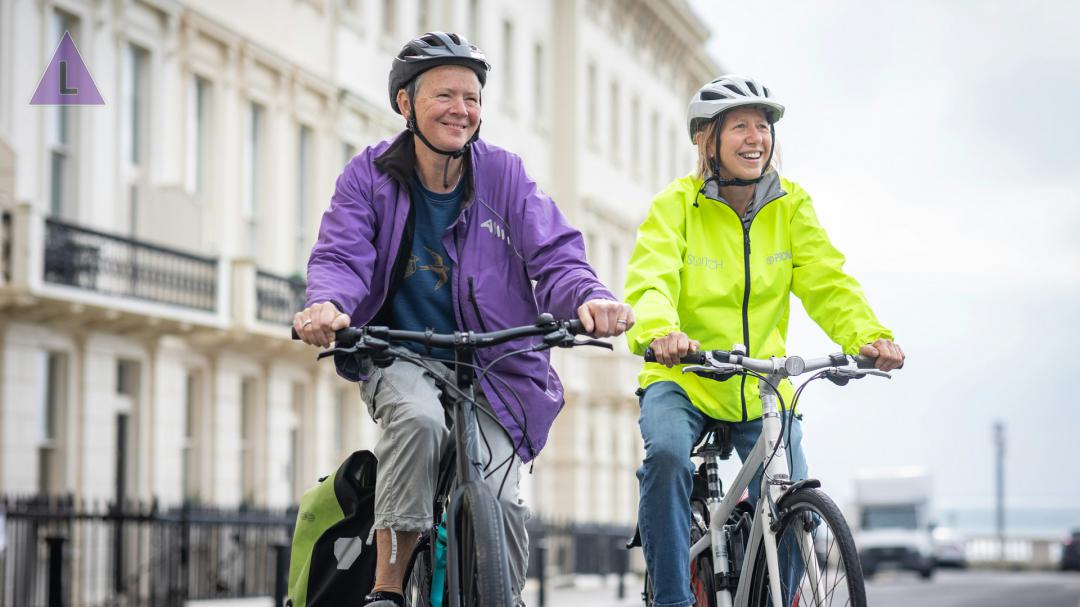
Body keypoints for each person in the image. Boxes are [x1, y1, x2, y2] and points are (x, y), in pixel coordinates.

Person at [294, 32, 633, 607]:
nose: (462, 109)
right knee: (420, 421)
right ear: (405, 103)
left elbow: (554, 253)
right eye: (444, 95)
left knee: (499, 498)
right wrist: (329, 305)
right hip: (398, 351)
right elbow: (341, 256)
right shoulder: (369, 176)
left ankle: (503, 595)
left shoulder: (504, 175)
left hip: (495, 364)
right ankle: (388, 587)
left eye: (472, 97)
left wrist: (588, 298)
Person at [623, 75, 905, 607]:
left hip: (758, 381)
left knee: (794, 485)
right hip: (685, 375)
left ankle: (778, 594)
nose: (756, 138)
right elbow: (651, 278)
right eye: (741, 127)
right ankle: (671, 598)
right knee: (665, 458)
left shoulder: (791, 205)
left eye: (763, 127)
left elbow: (826, 279)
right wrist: (661, 332)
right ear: (709, 140)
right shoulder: (676, 206)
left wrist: (869, 336)